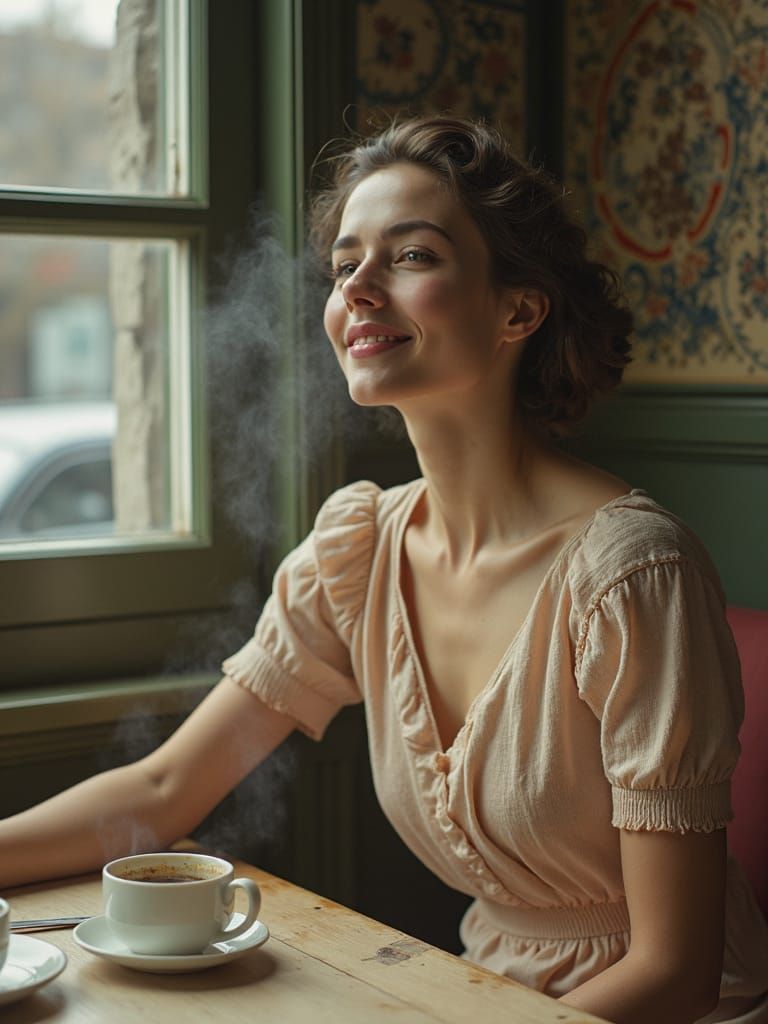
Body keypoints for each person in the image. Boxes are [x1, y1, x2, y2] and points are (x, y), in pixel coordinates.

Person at [2, 115, 767, 1022]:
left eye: (409, 256)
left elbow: (674, 971)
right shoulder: (360, 549)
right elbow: (169, 789)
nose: (358, 289)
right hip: (475, 993)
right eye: (344, 265)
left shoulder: (633, 577)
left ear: (518, 310)